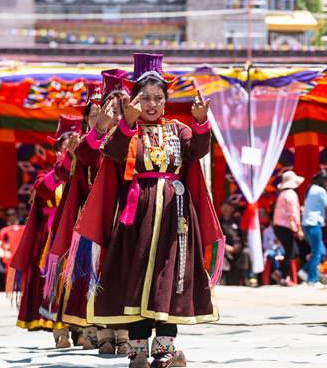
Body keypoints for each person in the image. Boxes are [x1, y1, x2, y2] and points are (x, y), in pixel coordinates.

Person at [68, 53, 224, 368]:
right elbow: (111, 153)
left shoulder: (178, 129)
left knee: (171, 277)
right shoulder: (129, 132)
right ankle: (138, 350)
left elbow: (197, 151)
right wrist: (125, 122)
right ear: (133, 102)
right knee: (136, 277)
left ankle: (165, 349)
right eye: (145, 98)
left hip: (175, 217)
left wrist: (201, 122)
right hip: (136, 217)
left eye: (158, 97)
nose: (151, 104)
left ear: (166, 101)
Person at [48, 69, 131, 355]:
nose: (112, 115)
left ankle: (127, 332)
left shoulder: (140, 132)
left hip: (132, 209)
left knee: (128, 271)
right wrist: (99, 131)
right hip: (98, 214)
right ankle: (103, 332)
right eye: (104, 110)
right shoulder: (93, 140)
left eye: (120, 108)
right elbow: (82, 160)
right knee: (100, 271)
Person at [10, 114, 82, 347]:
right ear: (58, 148)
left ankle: (81, 330)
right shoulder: (48, 176)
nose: (71, 144)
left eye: (75, 140)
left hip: (79, 236)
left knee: (78, 283)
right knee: (54, 285)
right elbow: (45, 189)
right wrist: (68, 160)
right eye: (66, 141)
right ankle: (58, 332)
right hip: (54, 241)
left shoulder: (84, 175)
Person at [299, 169, 327, 286]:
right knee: (317, 253)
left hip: (306, 225)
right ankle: (313, 280)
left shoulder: (311, 188)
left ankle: (304, 271)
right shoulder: (320, 190)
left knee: (321, 251)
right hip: (314, 224)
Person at [271, 170, 304, 286]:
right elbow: (294, 213)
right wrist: (299, 229)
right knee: (291, 252)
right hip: (285, 227)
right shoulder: (291, 194)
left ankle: (279, 272)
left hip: (279, 227)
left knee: (292, 252)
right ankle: (283, 278)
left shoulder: (282, 194)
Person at [221, 200, 255, 286]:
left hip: (237, 248)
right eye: (224, 207)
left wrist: (239, 245)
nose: (226, 209)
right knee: (220, 252)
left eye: (228, 207)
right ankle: (222, 277)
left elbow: (244, 235)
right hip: (225, 248)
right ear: (220, 208)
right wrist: (225, 246)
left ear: (232, 209)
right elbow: (214, 237)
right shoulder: (217, 221)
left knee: (246, 252)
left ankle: (249, 277)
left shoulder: (238, 220)